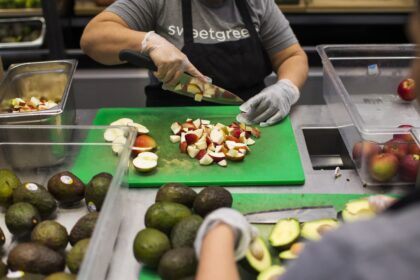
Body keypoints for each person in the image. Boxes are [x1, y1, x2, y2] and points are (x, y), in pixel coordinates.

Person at [193, 4, 420, 279]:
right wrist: (147, 42)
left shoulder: (351, 254)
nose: (411, 71)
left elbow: (291, 55)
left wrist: (219, 229)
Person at [80, 0, 308, 126]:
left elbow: (292, 57)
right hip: (172, 125)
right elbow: (93, 38)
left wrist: (286, 88)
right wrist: (149, 42)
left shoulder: (257, 3)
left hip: (252, 123)